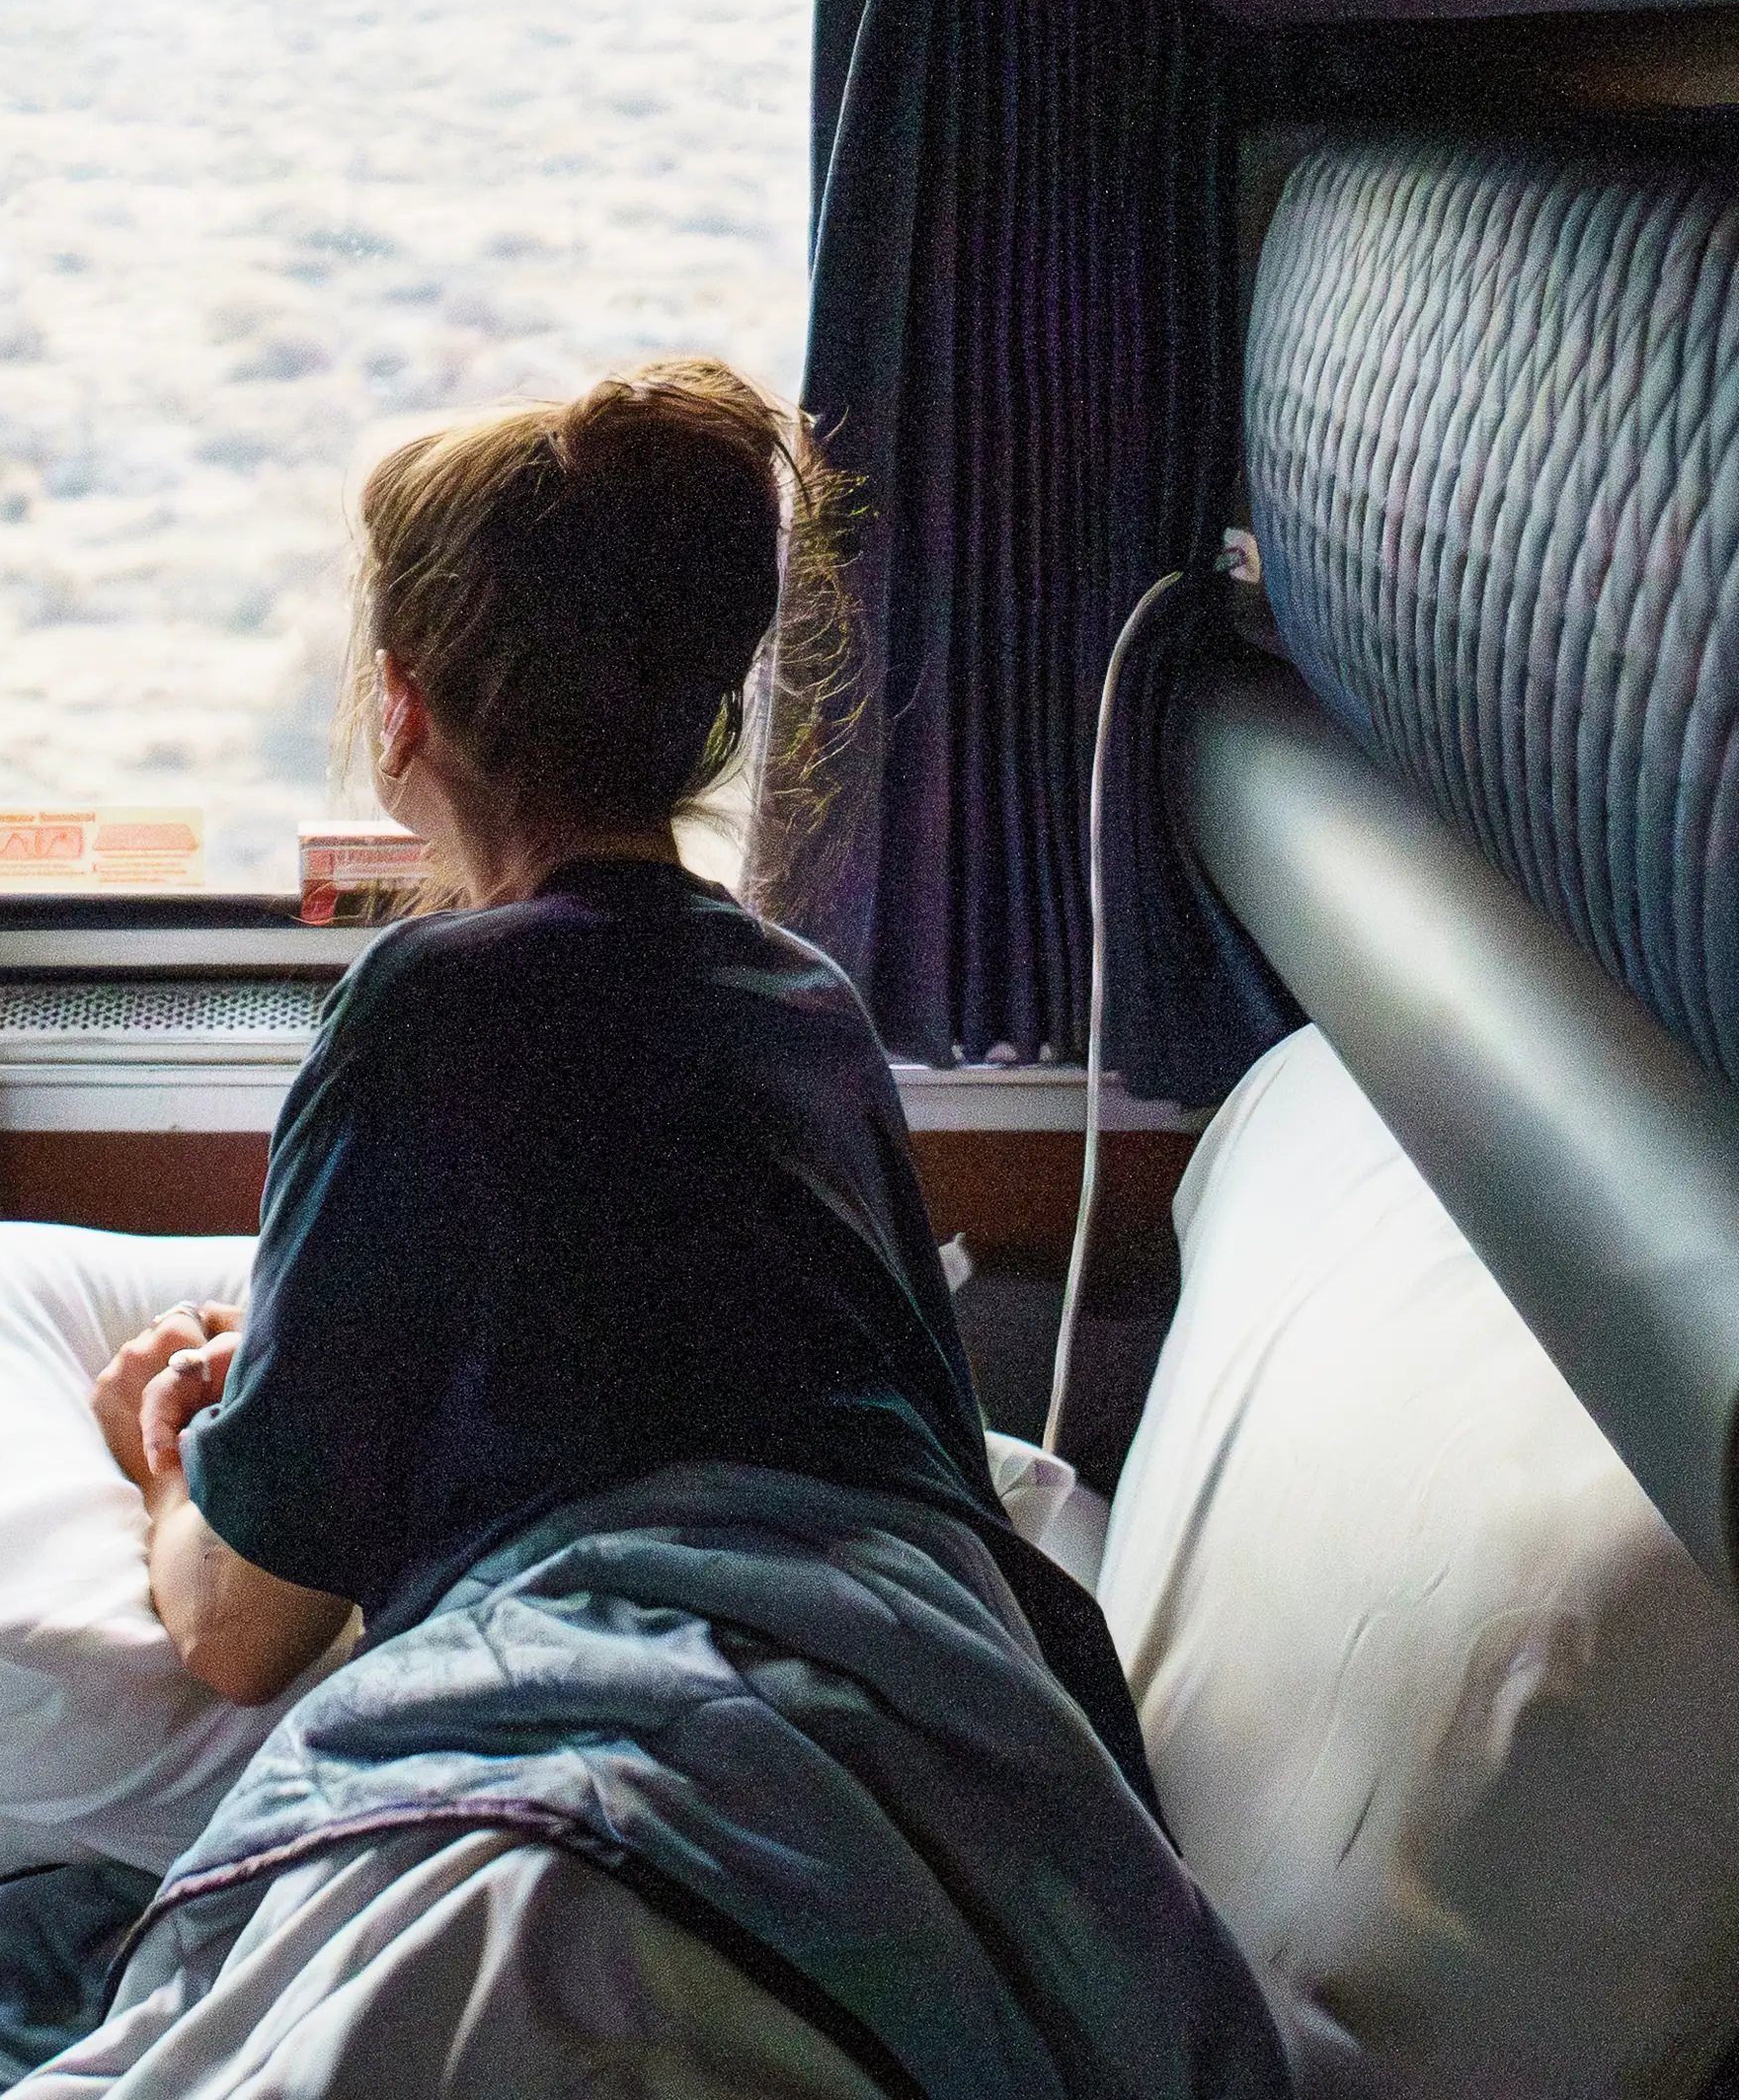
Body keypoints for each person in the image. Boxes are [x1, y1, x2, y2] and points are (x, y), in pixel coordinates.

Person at [84, 360, 1139, 1767]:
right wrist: (288, 1381)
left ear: (402, 707)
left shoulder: (430, 1010)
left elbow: (239, 1634)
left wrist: (163, 1455)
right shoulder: (808, 1006)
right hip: (942, 1717)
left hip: (651, 1725)